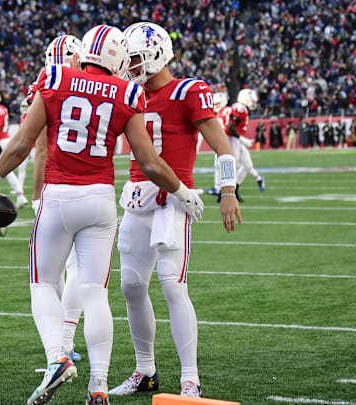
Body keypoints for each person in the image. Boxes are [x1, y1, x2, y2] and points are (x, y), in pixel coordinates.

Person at [0, 24, 206, 405]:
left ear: (84, 55)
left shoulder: (55, 77)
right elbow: (148, 162)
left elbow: (21, 144)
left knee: (43, 284)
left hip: (59, 194)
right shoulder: (128, 91)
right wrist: (182, 189)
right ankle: (98, 385)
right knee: (95, 292)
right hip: (100, 199)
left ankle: (57, 358)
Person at [108, 21, 241, 400]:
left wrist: (228, 190)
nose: (128, 66)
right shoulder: (128, 93)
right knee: (131, 286)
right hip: (136, 198)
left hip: (172, 200)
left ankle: (190, 378)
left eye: (133, 58)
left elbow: (224, 148)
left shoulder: (188, 90)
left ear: (154, 53)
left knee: (172, 285)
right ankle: (145, 370)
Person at [29, 34, 86, 363]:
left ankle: (61, 341)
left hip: (54, 187)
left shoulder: (47, 84)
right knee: (79, 269)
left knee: (50, 274)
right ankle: (65, 337)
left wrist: (36, 197)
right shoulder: (93, 82)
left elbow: (39, 149)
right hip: (91, 186)